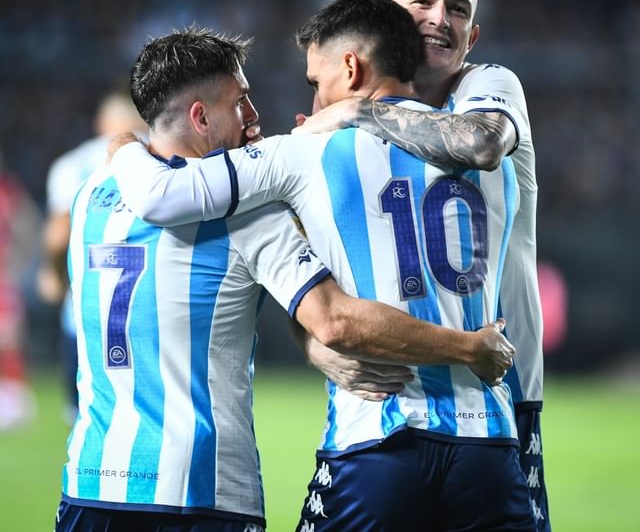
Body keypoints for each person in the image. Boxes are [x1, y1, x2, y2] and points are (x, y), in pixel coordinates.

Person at [55, 27, 516, 532]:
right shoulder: (249, 214)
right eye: (241, 102)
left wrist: (124, 142)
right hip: (199, 492)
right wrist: (469, 347)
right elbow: (335, 318)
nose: (254, 116)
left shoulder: (90, 194)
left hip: (88, 486)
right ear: (200, 116)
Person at [294, 0, 550, 530]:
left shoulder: (490, 86)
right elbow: (296, 260)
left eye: (457, 9)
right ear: (387, 15)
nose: (441, 18)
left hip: (500, 393)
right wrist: (315, 344)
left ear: (473, 35)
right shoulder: (332, 133)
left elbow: (480, 145)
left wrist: (361, 110)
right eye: (424, 2)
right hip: (387, 406)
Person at [37, 89, 147, 422]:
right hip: (150, 313)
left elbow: (58, 236)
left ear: (102, 122)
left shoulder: (73, 164)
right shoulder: (167, 156)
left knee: (86, 420)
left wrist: (55, 276)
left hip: (87, 315)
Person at [0, 150, 40, 430]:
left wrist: (16, 265)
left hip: (4, 278)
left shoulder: (10, 193)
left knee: (8, 335)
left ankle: (15, 399)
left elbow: (28, 230)